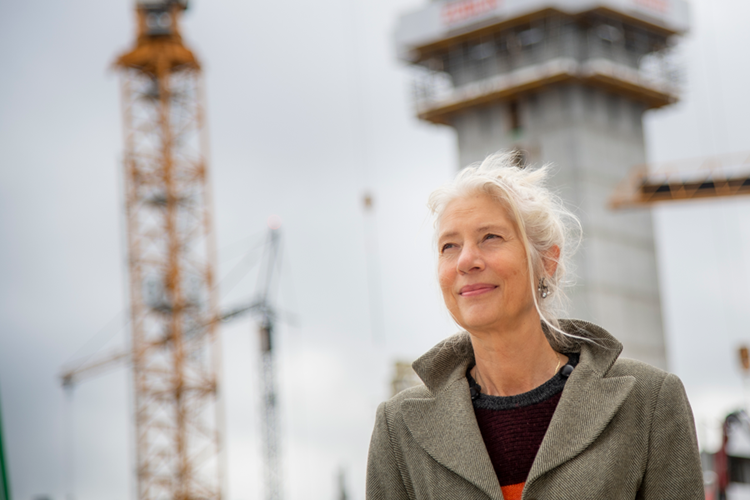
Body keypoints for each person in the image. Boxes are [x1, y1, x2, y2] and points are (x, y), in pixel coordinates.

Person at [366, 152, 703, 500]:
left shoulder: (649, 401)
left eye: (490, 237)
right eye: (449, 246)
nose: (466, 260)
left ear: (546, 261)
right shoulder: (398, 428)